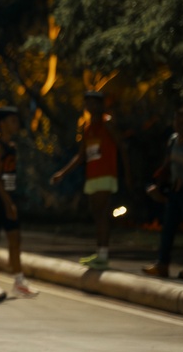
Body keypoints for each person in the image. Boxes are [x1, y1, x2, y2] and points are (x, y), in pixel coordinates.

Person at [50, 91, 131, 269]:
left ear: (101, 105)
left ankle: (103, 256)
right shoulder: (87, 128)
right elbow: (81, 156)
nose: (90, 107)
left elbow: (121, 146)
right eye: (87, 103)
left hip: (106, 175)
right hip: (92, 176)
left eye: (94, 103)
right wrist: (62, 173)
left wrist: (126, 173)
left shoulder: (107, 123)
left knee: (102, 214)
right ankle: (99, 253)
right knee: (97, 214)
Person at [142, 107, 183, 280]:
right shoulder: (172, 140)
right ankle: (163, 263)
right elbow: (167, 165)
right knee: (168, 228)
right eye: (176, 121)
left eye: (182, 121)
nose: (178, 125)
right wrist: (158, 185)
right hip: (174, 190)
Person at [0, 107, 38, 301]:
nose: (17, 124)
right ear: (2, 124)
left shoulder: (11, 146)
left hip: (8, 198)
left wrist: (11, 199)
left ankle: (19, 281)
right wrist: (7, 202)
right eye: (12, 120)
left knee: (15, 240)